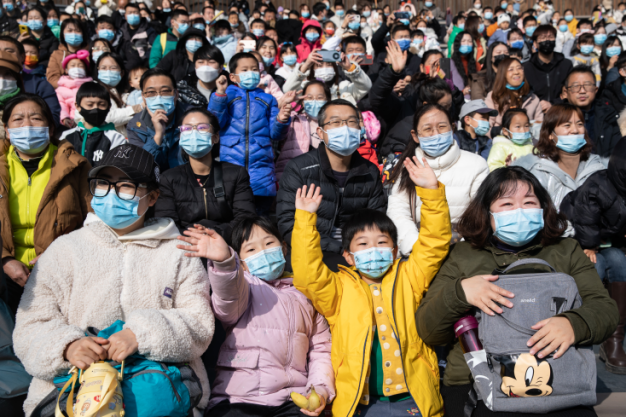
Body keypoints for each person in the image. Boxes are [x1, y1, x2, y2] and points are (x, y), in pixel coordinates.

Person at [12, 144, 215, 416]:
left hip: (160, 394)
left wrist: (142, 335)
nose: (111, 193)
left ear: (152, 197)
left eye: (126, 186)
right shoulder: (64, 250)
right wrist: (67, 346)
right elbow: (30, 325)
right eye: (103, 183)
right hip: (74, 395)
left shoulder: (179, 251)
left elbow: (199, 323)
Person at [415, 166, 618, 417]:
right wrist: (461, 292)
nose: (519, 211)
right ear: (487, 212)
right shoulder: (463, 255)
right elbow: (428, 330)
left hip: (560, 378)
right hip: (477, 384)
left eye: (529, 202)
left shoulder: (566, 250)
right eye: (507, 204)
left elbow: (605, 309)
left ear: (543, 209)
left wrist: (574, 324)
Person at [289, 158, 449, 416]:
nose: (373, 249)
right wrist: (306, 220)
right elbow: (308, 274)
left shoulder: (410, 276)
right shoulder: (338, 289)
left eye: (382, 242)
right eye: (363, 244)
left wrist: (431, 194)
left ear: (395, 251)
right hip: (360, 404)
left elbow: (434, 243)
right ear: (348, 257)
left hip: (413, 399)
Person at [177, 216, 334, 417]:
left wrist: (319, 389)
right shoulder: (244, 286)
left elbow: (321, 349)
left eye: (269, 243)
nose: (263, 252)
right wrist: (225, 262)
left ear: (284, 248)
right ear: (241, 263)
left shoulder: (305, 294)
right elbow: (228, 297)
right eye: (251, 249)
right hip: (238, 399)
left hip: (292, 400)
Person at [0, 94, 91, 316]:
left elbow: (94, 220)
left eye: (36, 118)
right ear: (7, 131)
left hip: (61, 267)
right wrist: (5, 259)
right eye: (18, 119)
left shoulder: (75, 167)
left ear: (51, 128)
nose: (28, 125)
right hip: (4, 273)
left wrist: (58, 253)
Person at [276, 99, 386, 270]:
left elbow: (376, 221)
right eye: (335, 122)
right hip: (311, 250)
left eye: (351, 122)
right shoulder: (299, 168)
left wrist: (357, 249)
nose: (345, 128)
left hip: (359, 253)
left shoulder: (369, 171)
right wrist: (338, 249)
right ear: (320, 132)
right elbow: (287, 222)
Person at [561, 137, 626, 375]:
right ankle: (586, 333)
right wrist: (588, 245)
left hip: (610, 240)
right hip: (579, 236)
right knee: (594, 267)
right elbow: (584, 215)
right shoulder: (600, 184)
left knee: (621, 263)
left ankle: (613, 340)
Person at [387, 103, 488, 255]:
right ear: (415, 136)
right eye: (428, 129)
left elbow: (479, 213)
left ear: (452, 128)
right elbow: (398, 211)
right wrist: (415, 245)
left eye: (442, 127)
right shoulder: (409, 165)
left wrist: (460, 249)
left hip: (462, 250)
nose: (436, 134)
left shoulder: (476, 164)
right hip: (419, 250)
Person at [155, 108, 256, 241]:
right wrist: (194, 238)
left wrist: (214, 234)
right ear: (180, 137)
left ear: (215, 137)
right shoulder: (169, 178)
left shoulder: (236, 174)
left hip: (227, 245)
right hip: (185, 247)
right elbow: (166, 223)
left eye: (202, 127)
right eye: (187, 129)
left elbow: (246, 219)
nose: (194, 133)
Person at [208, 52, 290, 214]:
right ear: (233, 76)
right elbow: (215, 123)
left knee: (260, 217)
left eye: (254, 69)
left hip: (262, 171)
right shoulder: (225, 95)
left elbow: (276, 135)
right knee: (234, 218)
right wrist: (220, 94)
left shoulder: (268, 99)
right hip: (231, 169)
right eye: (244, 70)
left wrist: (281, 120)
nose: (250, 73)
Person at [513, 103, 606, 209]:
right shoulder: (537, 172)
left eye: (580, 124)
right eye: (567, 125)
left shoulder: (598, 168)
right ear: (550, 134)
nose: (575, 130)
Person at [128, 68, 187, 171]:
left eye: (165, 91)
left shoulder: (193, 117)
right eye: (151, 92)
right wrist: (158, 136)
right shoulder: (135, 125)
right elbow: (142, 166)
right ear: (143, 97)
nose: (158, 97)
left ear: (176, 94)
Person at [59, 81, 126, 166]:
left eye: (101, 104)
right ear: (78, 106)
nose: (96, 109)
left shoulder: (116, 138)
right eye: (90, 105)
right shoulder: (66, 136)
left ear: (109, 107)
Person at [563, 65, 623, 158]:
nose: (582, 91)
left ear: (596, 90)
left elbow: (617, 154)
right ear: (566, 92)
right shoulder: (556, 117)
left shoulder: (608, 116)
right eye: (575, 86)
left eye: (587, 85)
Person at [0, 36, 61, 127]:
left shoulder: (40, 85)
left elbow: (52, 119)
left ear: (22, 57)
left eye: (9, 51)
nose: (2, 54)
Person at [275, 80, 329, 180]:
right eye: (310, 98)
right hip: (293, 180)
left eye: (320, 97)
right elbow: (269, 124)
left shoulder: (334, 125)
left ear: (328, 101)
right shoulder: (292, 120)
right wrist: (280, 104)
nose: (314, 101)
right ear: (303, 103)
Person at [283, 46, 371, 106]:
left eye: (329, 65)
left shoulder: (344, 88)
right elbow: (287, 89)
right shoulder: (305, 88)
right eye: (320, 65)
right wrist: (305, 65)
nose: (325, 68)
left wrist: (350, 68)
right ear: (312, 69)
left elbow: (365, 86)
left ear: (334, 68)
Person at [485, 57, 543, 134]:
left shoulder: (533, 98)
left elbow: (540, 125)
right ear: (503, 74)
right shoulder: (493, 96)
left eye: (519, 68)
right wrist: (503, 133)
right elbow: (487, 126)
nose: (516, 72)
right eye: (510, 69)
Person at [523, 24, 572, 108]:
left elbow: (570, 91)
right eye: (542, 37)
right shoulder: (526, 67)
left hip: (561, 110)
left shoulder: (566, 64)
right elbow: (524, 94)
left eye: (550, 37)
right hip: (535, 112)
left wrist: (553, 104)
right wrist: (538, 105)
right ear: (535, 44)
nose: (547, 40)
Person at [46, 17, 90, 88]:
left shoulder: (89, 53)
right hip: (63, 92)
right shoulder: (56, 54)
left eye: (77, 31)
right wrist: (68, 87)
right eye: (70, 31)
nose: (73, 33)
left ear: (83, 34)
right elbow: (52, 78)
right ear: (63, 35)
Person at [56, 49, 93, 128]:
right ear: (66, 70)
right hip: (71, 124)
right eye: (73, 65)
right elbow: (61, 105)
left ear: (86, 71)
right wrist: (65, 118)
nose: (77, 68)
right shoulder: (61, 89)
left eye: (80, 66)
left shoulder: (92, 86)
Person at [118, 2, 157, 72]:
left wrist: (143, 61)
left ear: (140, 15)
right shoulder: (121, 31)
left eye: (135, 12)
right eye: (130, 13)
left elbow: (152, 49)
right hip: (125, 66)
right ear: (125, 16)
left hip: (143, 65)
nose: (132, 15)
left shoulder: (149, 30)